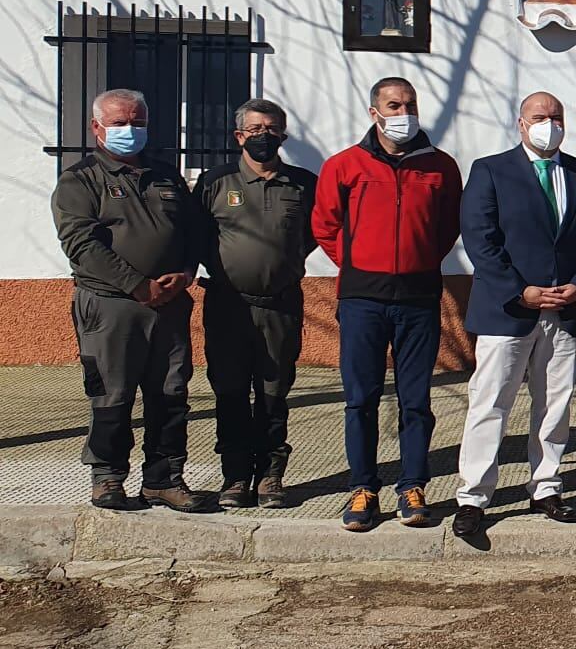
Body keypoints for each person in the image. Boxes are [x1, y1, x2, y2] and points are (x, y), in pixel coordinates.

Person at [451, 92, 576, 545]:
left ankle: (546, 488)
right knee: (490, 403)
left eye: (556, 117)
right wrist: (519, 290)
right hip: (509, 308)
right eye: (539, 117)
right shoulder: (491, 171)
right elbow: (480, 239)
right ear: (521, 124)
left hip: (564, 309)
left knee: (555, 404)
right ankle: (473, 497)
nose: (549, 124)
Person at [312, 77, 462, 531]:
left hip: (418, 299)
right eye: (393, 105)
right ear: (374, 112)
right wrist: (361, 264)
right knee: (361, 399)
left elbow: (448, 226)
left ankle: (413, 485)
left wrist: (416, 262)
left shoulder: (440, 166)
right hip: (362, 300)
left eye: (410, 104)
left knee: (415, 399)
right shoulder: (344, 165)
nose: (403, 113)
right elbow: (324, 226)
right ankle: (363, 488)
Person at [50, 88, 205, 512]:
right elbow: (81, 244)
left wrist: (187, 272)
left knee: (171, 393)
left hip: (170, 305)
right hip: (111, 306)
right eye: (119, 123)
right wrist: (138, 285)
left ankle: (164, 479)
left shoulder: (165, 175)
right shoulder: (79, 180)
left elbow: (194, 232)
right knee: (112, 395)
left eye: (137, 122)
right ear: (96, 127)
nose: (129, 131)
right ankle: (107, 477)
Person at [196, 99, 317, 509]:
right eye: (254, 128)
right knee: (229, 392)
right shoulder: (216, 181)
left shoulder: (302, 183)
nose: (263, 135)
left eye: (272, 128)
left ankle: (269, 475)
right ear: (239, 136)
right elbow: (195, 237)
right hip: (228, 306)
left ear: (283, 134)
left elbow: (313, 234)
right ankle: (234, 477)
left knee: (274, 392)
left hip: (280, 306)